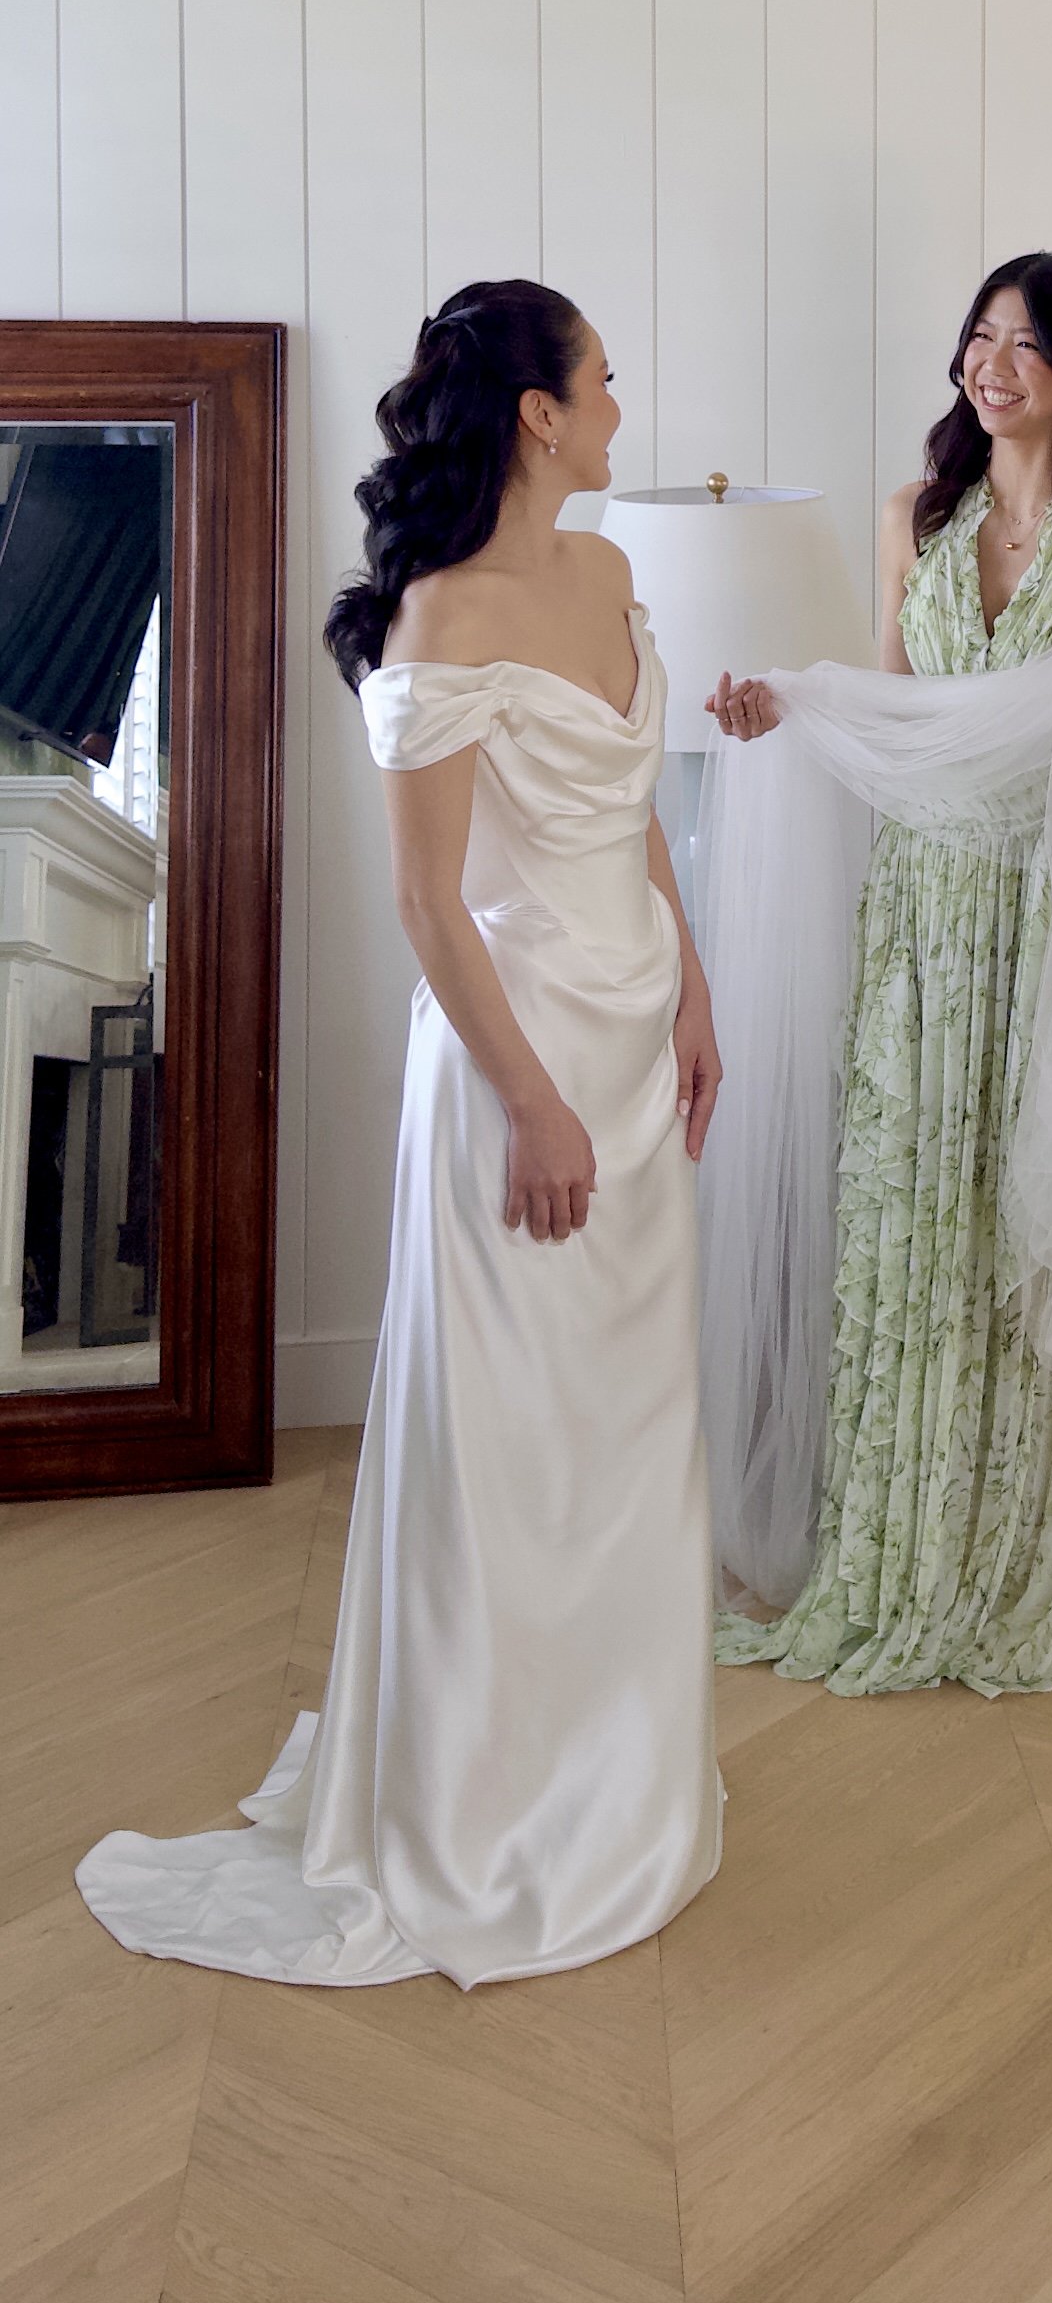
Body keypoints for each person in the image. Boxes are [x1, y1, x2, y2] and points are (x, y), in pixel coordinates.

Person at [77, 282, 724, 1986]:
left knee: (622, 1426)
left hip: (637, 1045)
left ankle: (616, 1779)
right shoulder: (443, 620)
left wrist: (699, 993)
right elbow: (428, 906)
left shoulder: (611, 575)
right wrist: (529, 1098)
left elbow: (635, 806)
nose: (614, 400)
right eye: (600, 375)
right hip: (516, 1066)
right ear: (535, 409)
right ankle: (480, 1803)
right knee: (506, 1432)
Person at [704, 251, 1052, 1697]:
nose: (991, 363)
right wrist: (789, 706)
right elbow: (895, 702)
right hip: (925, 917)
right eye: (978, 336)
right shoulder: (912, 518)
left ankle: (1034, 1550)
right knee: (918, 1214)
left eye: (1026, 342)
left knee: (1030, 1225)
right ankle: (905, 1547)